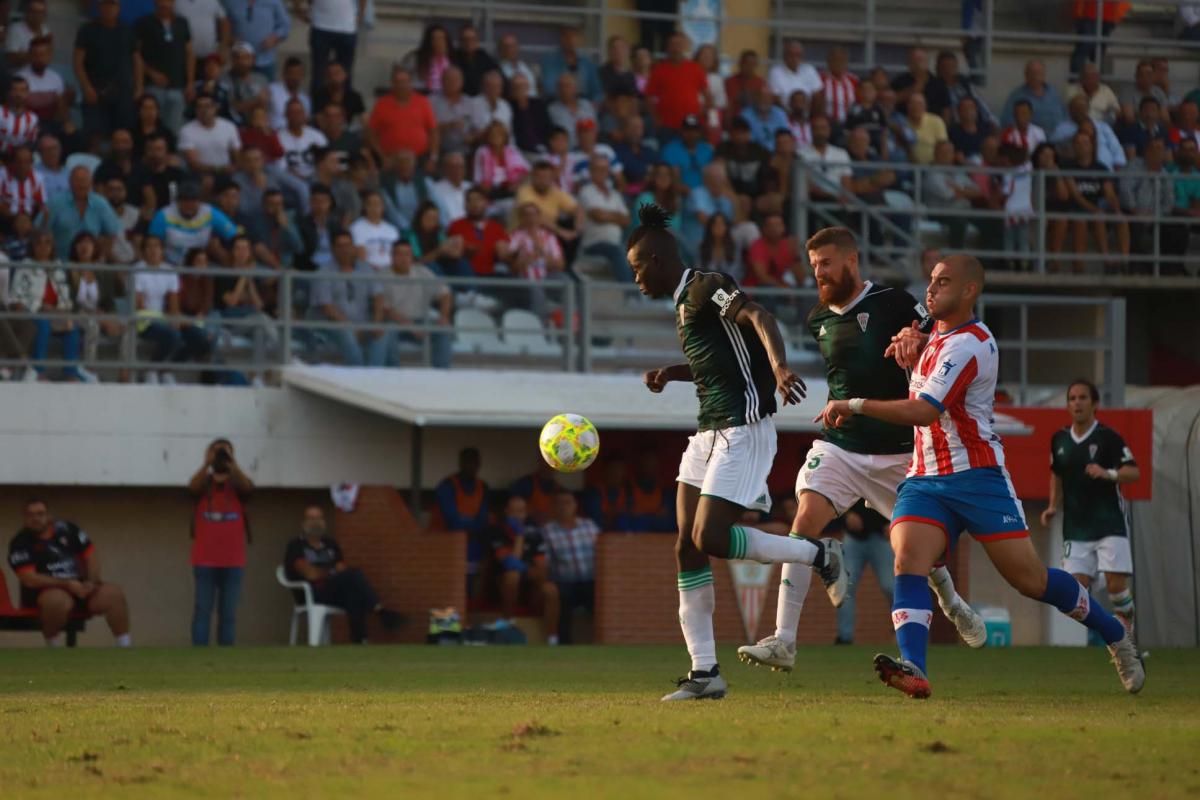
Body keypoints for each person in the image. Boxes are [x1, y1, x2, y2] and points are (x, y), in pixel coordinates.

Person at [816, 253, 1143, 697]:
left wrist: (853, 404)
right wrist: (908, 346)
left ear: (970, 291)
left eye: (944, 282)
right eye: (931, 280)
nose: (931, 289)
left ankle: (1115, 636)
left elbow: (924, 409)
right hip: (924, 476)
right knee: (907, 556)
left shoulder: (970, 343)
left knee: (1032, 581)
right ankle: (915, 667)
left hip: (978, 476)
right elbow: (918, 354)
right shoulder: (931, 332)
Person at [627, 203, 847, 701]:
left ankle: (819, 552)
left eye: (638, 267)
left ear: (659, 260)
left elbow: (757, 315)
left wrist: (780, 368)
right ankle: (705, 672)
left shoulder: (706, 285)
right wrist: (671, 372)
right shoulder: (684, 305)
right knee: (686, 543)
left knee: (711, 535)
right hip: (706, 432)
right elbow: (715, 363)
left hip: (743, 428)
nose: (635, 278)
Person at [737, 228, 982, 673]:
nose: (819, 273)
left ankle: (952, 602)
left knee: (921, 551)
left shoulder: (893, 301)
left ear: (851, 261)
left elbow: (940, 337)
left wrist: (918, 341)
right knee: (804, 523)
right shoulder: (817, 319)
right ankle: (784, 641)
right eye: (813, 266)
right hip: (841, 447)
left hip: (898, 452)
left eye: (826, 264)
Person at [1041, 379, 1140, 630]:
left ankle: (1125, 634)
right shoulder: (1059, 440)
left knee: (1116, 588)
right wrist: (1053, 505)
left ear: (1095, 404)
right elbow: (1057, 475)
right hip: (1076, 527)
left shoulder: (1109, 438)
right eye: (1072, 398)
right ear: (1067, 405)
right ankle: (1112, 631)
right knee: (1076, 594)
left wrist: (1109, 474)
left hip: (1109, 523)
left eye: (1083, 397)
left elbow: (1133, 472)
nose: (1077, 403)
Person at [8, 498, 132, 647]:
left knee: (113, 593)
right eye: (30, 515)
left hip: (81, 587)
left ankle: (124, 645)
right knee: (57, 601)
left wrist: (91, 582)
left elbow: (91, 556)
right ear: (25, 518)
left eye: (40, 514)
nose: (36, 518)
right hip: (44, 593)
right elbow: (29, 578)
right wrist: (67, 584)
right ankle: (52, 646)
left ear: (49, 516)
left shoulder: (68, 529)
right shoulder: (20, 542)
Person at [284, 505, 404, 644]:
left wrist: (327, 572)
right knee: (354, 575)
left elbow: (341, 568)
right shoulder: (296, 545)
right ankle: (379, 610)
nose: (316, 522)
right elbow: (310, 574)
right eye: (311, 518)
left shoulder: (330, 544)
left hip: (332, 590)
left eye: (319, 518)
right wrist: (331, 571)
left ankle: (360, 640)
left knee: (354, 594)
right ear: (303, 523)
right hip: (311, 593)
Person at [186, 438, 253, 645]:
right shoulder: (204, 484)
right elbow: (191, 488)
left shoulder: (237, 485)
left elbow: (249, 489)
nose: (220, 457)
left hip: (233, 562)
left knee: (229, 613)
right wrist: (207, 463)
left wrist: (233, 464)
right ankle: (199, 655)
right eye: (216, 452)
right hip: (205, 560)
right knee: (202, 610)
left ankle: (226, 657)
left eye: (224, 452)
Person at [133, 235, 211, 383]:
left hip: (164, 317)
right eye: (149, 247)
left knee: (200, 337)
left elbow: (173, 304)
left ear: (162, 250)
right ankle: (152, 369)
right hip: (144, 320)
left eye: (157, 246)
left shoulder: (169, 270)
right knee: (174, 335)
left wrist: (175, 318)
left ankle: (167, 369)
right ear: (143, 251)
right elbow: (139, 305)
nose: (153, 250)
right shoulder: (137, 270)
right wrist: (168, 318)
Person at [485, 494, 559, 641]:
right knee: (513, 576)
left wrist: (533, 571)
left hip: (531, 585)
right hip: (502, 584)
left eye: (521, 511)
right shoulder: (497, 530)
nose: (518, 515)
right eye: (514, 511)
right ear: (507, 511)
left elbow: (542, 566)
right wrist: (519, 537)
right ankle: (509, 623)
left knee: (551, 590)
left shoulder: (534, 532)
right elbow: (511, 563)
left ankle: (552, 639)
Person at [311, 230, 388, 366]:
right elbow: (327, 307)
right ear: (333, 249)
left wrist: (376, 322)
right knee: (347, 334)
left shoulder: (365, 268)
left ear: (353, 247)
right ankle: (357, 376)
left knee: (383, 333)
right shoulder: (323, 272)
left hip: (363, 323)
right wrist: (351, 327)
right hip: (333, 325)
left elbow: (378, 296)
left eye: (347, 245)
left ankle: (373, 375)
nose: (344, 250)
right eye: (340, 246)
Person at [540, 488, 600, 645]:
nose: (564, 507)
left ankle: (604, 642)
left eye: (568, 503)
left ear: (575, 505)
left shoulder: (589, 526)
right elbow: (545, 561)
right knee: (562, 599)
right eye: (559, 503)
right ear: (553, 507)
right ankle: (564, 646)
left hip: (591, 580)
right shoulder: (547, 531)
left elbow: (604, 553)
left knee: (602, 595)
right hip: (564, 582)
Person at [382, 240, 452, 368]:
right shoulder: (382, 275)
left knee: (443, 329)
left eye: (407, 254)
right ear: (391, 256)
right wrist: (410, 326)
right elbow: (385, 309)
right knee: (388, 330)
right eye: (399, 254)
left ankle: (442, 375)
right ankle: (393, 373)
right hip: (395, 323)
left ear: (412, 257)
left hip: (421, 320)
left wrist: (443, 316)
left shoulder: (421, 272)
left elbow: (445, 294)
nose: (403, 258)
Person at [74, 0, 137, 138]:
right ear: (99, 6)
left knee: (122, 133)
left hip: (122, 93)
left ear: (118, 7)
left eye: (112, 4)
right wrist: (86, 88)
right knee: (94, 136)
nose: (109, 8)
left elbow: (137, 60)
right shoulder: (87, 30)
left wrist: (139, 88)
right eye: (105, 4)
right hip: (95, 92)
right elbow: (78, 62)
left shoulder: (127, 30)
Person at [833, 504, 894, 645]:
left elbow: (899, 495)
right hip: (854, 538)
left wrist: (894, 521)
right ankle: (844, 637)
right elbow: (836, 497)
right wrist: (847, 514)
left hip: (882, 537)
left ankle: (903, 630)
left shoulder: (890, 481)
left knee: (890, 586)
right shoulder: (849, 481)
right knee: (844, 587)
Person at [134, 0, 195, 136]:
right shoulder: (143, 23)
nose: (164, 4)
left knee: (175, 129)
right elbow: (135, 54)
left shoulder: (182, 22)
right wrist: (151, 73)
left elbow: (189, 53)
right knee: (151, 127)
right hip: (152, 86)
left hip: (178, 86)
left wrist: (190, 82)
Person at [38, 166, 120, 261]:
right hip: (61, 264)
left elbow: (112, 233)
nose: (81, 184)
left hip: (91, 266)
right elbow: (39, 232)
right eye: (78, 180)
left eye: (85, 180)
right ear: (70, 182)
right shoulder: (55, 202)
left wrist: (101, 256)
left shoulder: (101, 204)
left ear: (91, 183)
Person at [434, 447, 490, 579]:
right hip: (444, 542)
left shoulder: (483, 486)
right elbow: (453, 521)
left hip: (473, 542)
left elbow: (483, 520)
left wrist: (470, 523)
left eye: (474, 462)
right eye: (468, 462)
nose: (471, 466)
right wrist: (472, 523)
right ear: (461, 463)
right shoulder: (447, 485)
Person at [368, 66, 438, 166]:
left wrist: (433, 158)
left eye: (404, 81)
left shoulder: (423, 102)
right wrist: (382, 156)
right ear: (392, 83)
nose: (401, 85)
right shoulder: (381, 104)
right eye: (398, 82)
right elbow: (371, 134)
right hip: (391, 160)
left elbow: (433, 132)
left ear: (410, 83)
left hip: (419, 159)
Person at [578, 154, 632, 282]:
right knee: (617, 251)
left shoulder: (615, 194)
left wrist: (607, 215)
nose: (602, 173)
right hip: (593, 244)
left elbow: (627, 220)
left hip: (615, 243)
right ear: (591, 171)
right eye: (598, 169)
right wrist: (617, 216)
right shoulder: (586, 191)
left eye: (605, 169)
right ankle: (630, 296)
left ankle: (656, 296)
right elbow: (598, 216)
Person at [645, 32, 708, 137]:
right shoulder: (658, 70)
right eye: (672, 44)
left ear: (684, 46)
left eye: (679, 44)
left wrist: (701, 114)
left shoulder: (695, 68)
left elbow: (707, 95)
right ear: (667, 47)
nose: (675, 48)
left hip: (691, 126)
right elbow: (648, 97)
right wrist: (655, 118)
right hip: (666, 125)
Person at [447, 186, 512, 278]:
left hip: (492, 276)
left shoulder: (497, 227)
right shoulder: (455, 226)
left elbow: (506, 256)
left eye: (478, 200)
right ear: (465, 205)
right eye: (470, 200)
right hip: (466, 277)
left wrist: (509, 256)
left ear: (486, 203)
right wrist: (465, 252)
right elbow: (450, 256)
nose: (475, 204)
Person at [304, 0, 364, 93]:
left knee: (345, 76)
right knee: (319, 76)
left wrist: (361, 15)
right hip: (321, 25)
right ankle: (318, 105)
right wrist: (298, 9)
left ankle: (344, 106)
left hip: (347, 27)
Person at [224, 0, 290, 79]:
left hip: (265, 61)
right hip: (240, 61)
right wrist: (230, 38)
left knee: (265, 90)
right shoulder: (229, 2)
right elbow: (223, 23)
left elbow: (285, 25)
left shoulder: (274, 2)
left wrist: (275, 37)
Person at [1000, 59, 1065, 134]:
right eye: (1032, 73)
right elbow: (1007, 121)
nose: (1035, 77)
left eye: (1039, 73)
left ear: (1044, 74)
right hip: (1029, 138)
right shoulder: (1016, 96)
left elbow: (1064, 116)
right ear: (1026, 75)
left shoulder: (1053, 93)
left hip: (1056, 138)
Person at [539, 26, 601, 102]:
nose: (571, 41)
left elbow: (597, 91)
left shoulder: (587, 63)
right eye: (567, 37)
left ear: (579, 40)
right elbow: (549, 88)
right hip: (558, 103)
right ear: (562, 39)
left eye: (574, 37)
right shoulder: (549, 61)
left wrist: (594, 104)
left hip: (584, 104)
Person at [768, 39, 822, 106]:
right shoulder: (775, 72)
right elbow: (775, 98)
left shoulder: (809, 70)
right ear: (784, 56)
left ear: (802, 57)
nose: (794, 58)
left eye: (798, 55)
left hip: (808, 113)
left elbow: (818, 95)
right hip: (785, 113)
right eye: (791, 55)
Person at [453, 23, 498, 97]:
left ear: (477, 41)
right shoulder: (453, 59)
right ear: (460, 41)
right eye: (465, 39)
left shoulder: (485, 58)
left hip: (482, 100)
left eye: (472, 39)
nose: (469, 43)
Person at [817, 46, 859, 126]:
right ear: (828, 61)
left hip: (851, 125)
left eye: (841, 60)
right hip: (828, 125)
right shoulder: (819, 79)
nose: (838, 63)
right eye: (835, 59)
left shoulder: (854, 80)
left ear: (846, 62)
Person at [268, 57, 311, 131]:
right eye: (291, 73)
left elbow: (305, 121)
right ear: (284, 74)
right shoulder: (272, 90)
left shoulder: (305, 99)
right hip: (275, 134)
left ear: (302, 75)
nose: (295, 77)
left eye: (298, 73)